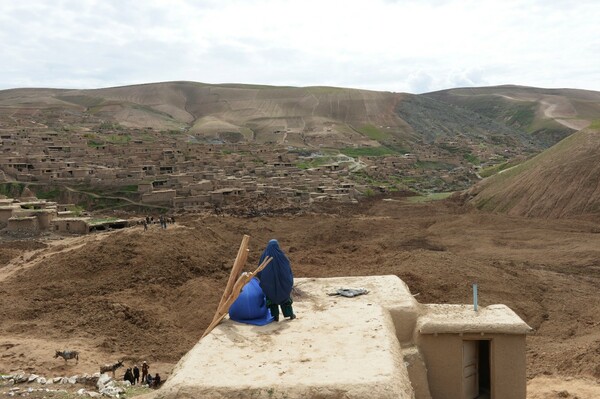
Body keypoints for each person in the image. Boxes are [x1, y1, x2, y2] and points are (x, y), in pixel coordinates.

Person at [257, 239, 296, 321]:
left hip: (269, 284)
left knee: (271, 299)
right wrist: (288, 280)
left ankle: (275, 316)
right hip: (283, 284)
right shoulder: (282, 256)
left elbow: (259, 270)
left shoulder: (264, 256)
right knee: (285, 298)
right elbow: (288, 270)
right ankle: (290, 314)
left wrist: (264, 280)